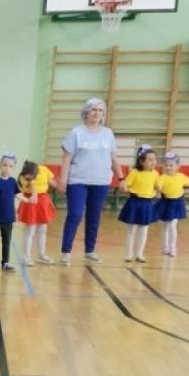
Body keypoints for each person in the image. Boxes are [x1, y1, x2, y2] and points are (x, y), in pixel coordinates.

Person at [56, 97, 123, 265]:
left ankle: (90, 250)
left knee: (94, 217)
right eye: (94, 110)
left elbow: (114, 158)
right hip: (78, 181)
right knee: (75, 214)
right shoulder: (76, 133)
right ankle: (66, 252)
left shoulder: (108, 134)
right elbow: (66, 158)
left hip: (100, 182)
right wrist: (62, 180)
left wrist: (121, 177)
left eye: (100, 111)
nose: (97, 113)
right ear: (86, 112)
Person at [117, 146, 162, 263]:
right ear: (141, 161)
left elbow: (158, 186)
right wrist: (124, 186)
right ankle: (129, 254)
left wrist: (159, 189)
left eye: (154, 159)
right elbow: (126, 184)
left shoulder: (155, 174)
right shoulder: (135, 172)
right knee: (131, 230)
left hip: (147, 203)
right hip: (134, 202)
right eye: (150, 159)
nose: (153, 162)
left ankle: (139, 254)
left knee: (144, 230)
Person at [155, 152, 189, 258]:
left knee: (172, 226)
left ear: (177, 166)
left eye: (171, 165)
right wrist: (157, 189)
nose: (168, 168)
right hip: (166, 203)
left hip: (177, 203)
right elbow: (158, 186)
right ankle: (165, 247)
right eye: (166, 165)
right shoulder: (163, 177)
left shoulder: (181, 176)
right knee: (165, 226)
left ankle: (173, 248)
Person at [16, 158, 56, 264]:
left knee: (42, 229)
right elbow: (32, 186)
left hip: (43, 200)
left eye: (31, 175)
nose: (28, 177)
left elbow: (51, 180)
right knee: (30, 230)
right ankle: (26, 256)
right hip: (30, 201)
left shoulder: (43, 170)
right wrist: (34, 195)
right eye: (26, 175)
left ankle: (41, 255)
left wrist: (57, 184)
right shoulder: (23, 177)